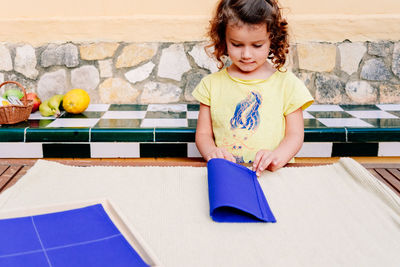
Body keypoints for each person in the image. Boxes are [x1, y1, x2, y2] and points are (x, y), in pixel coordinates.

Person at [192, 0, 314, 176]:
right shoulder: (211, 85)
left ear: (272, 39)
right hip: (228, 175)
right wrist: (212, 152)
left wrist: (277, 156)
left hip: (273, 175)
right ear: (223, 39)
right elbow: (203, 134)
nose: (246, 55)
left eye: (257, 45)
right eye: (237, 44)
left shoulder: (288, 84)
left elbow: (295, 135)